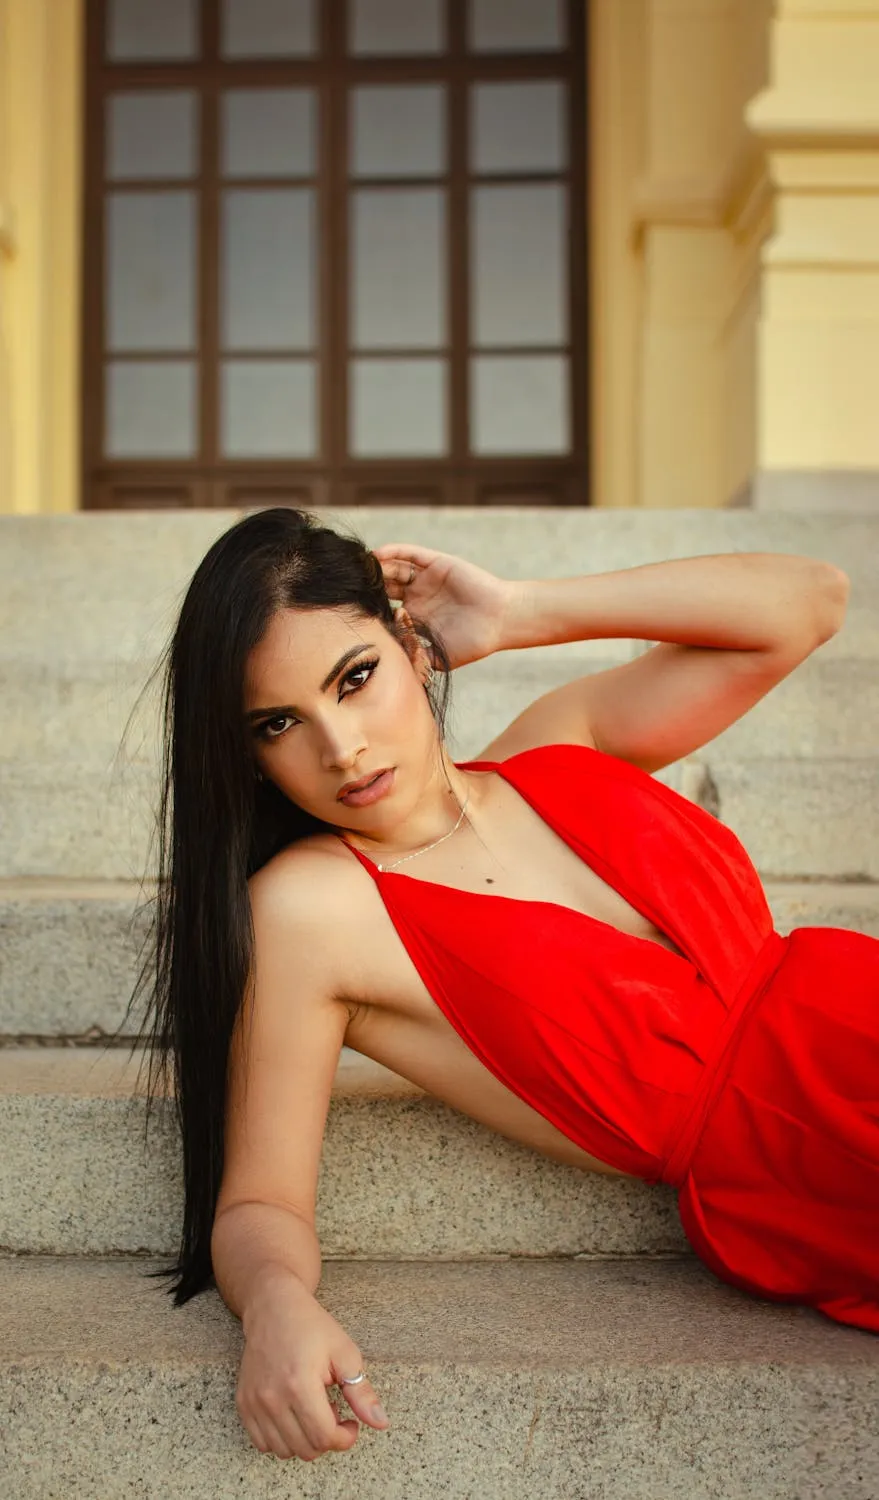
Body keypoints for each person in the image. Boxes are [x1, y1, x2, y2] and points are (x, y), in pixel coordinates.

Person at [128, 505, 876, 1466]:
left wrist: (520, 610)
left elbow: (809, 601)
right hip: (817, 1164)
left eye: (355, 679)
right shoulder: (311, 911)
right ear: (247, 756)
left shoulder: (559, 746)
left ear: (412, 645)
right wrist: (276, 1307)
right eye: (280, 723)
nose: (342, 748)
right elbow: (259, 1203)